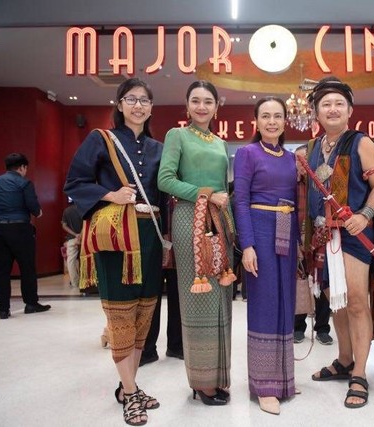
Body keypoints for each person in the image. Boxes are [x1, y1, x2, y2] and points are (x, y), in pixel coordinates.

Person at [64, 77, 163, 425]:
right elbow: (75, 182)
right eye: (131, 99)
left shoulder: (158, 148)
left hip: (150, 237)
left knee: (144, 315)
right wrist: (111, 195)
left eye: (144, 100)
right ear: (119, 105)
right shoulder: (100, 139)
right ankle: (131, 393)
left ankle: (128, 386)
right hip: (117, 238)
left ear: (151, 108)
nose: (138, 105)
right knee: (121, 316)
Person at [300, 76, 374, 409]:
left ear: (350, 110)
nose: (333, 109)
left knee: (355, 301)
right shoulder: (312, 148)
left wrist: (364, 215)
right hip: (322, 235)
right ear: (316, 112)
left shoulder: (361, 142)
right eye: (326, 104)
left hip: (353, 235)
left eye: (339, 103)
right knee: (334, 301)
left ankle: (360, 373)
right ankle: (344, 359)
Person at [157, 80, 233, 407]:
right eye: (196, 101)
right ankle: (201, 382)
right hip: (190, 218)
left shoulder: (221, 142)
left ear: (217, 106)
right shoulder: (177, 136)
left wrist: (224, 208)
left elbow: (224, 187)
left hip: (220, 221)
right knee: (198, 299)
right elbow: (165, 179)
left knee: (222, 299)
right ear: (187, 105)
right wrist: (205, 194)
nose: (202, 107)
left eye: (208, 101)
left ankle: (217, 377)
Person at [233, 96, 299, 415]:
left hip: (288, 231)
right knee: (264, 304)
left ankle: (284, 379)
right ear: (256, 122)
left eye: (277, 116)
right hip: (260, 233)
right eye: (265, 116)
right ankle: (263, 385)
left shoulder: (292, 158)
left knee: (286, 303)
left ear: (285, 121)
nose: (272, 121)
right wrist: (247, 245)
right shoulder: (247, 153)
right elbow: (240, 201)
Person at [0, 153, 50, 319]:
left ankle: (3, 309)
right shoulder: (24, 183)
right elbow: (34, 208)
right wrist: (38, 212)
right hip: (19, 229)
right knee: (27, 267)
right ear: (22, 167)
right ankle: (31, 304)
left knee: (1, 269)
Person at [293, 145, 332, 346]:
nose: (302, 164)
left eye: (305, 160)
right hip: (296, 238)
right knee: (299, 282)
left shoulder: (322, 183)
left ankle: (323, 328)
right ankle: (298, 327)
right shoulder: (289, 183)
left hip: (321, 237)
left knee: (322, 281)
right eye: (298, 160)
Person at [139, 196, 183, 366]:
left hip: (178, 244)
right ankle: (147, 348)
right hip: (153, 242)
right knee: (150, 299)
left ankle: (176, 345)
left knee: (178, 297)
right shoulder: (153, 186)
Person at [61, 200, 83, 287]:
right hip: (83, 238)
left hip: (71, 239)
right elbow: (86, 223)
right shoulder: (83, 208)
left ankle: (74, 282)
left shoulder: (67, 210)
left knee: (70, 261)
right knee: (85, 260)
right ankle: (85, 281)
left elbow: (64, 225)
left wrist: (75, 234)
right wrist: (80, 235)